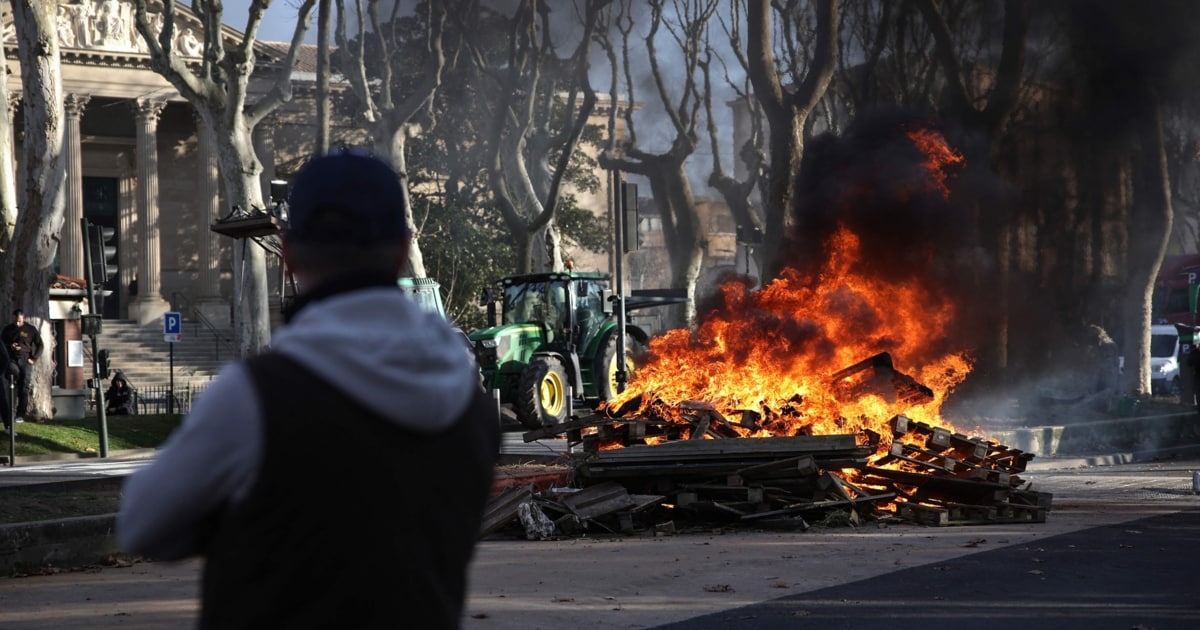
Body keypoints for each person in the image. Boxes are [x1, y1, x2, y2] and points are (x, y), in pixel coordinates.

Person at [117, 151, 499, 629]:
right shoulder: (474, 409)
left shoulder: (254, 398)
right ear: (403, 251)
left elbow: (142, 527)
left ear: (290, 252)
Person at [0, 309, 43, 423]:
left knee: (24, 387)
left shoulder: (30, 330)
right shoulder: (8, 329)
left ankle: (20, 414)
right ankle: (9, 412)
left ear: (23, 319)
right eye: (15, 321)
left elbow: (40, 345)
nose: (17, 323)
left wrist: (34, 358)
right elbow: (2, 344)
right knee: (13, 380)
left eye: (19, 321)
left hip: (25, 360)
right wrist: (10, 345)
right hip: (11, 359)